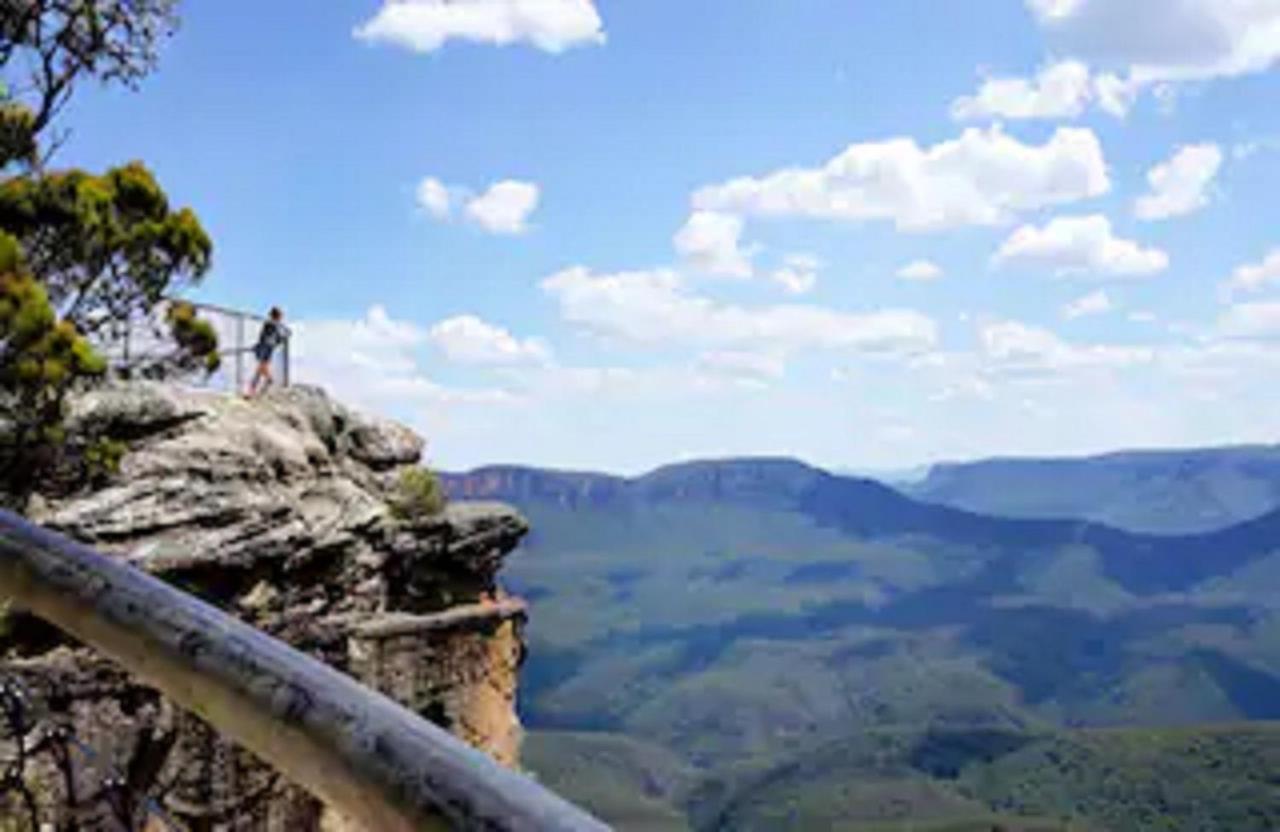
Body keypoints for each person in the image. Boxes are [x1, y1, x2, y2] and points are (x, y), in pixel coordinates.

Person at [245, 307, 287, 398]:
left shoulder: (272, 325)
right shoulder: (273, 325)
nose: (281, 318)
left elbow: (263, 337)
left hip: (266, 348)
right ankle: (267, 380)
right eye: (280, 316)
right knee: (261, 369)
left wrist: (259, 345)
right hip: (267, 348)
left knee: (260, 369)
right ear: (277, 316)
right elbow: (274, 339)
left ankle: (252, 390)